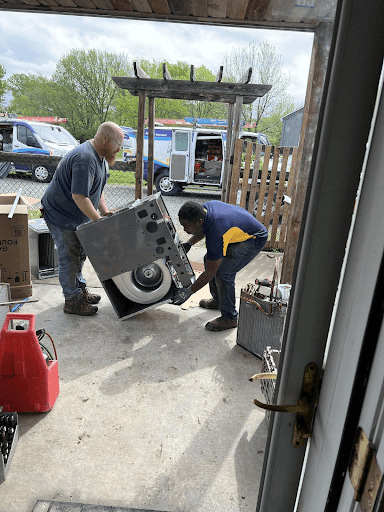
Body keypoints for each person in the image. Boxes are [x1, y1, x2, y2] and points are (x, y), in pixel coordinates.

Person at [41, 121, 124, 316]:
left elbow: (97, 189)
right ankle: (72, 301)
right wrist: (97, 221)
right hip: (61, 215)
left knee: (79, 254)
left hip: (77, 215)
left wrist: (103, 212)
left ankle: (79, 291)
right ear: (105, 139)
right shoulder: (85, 158)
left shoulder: (101, 157)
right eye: (118, 144)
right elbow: (79, 196)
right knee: (69, 257)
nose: (119, 149)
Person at [172, 200, 268, 331]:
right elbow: (204, 229)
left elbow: (210, 272)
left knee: (224, 273)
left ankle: (230, 318)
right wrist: (189, 243)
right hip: (236, 233)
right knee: (209, 259)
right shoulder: (203, 210)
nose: (184, 229)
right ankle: (218, 300)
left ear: (199, 221)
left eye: (186, 226)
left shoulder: (216, 232)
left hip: (254, 238)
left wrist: (189, 292)